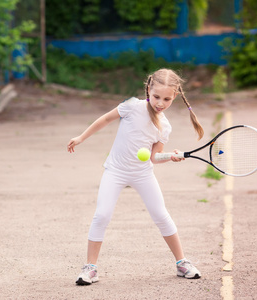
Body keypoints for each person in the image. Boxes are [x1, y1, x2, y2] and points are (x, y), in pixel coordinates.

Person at [67, 69, 205, 285]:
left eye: (167, 99)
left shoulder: (165, 126)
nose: (160, 102)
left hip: (142, 174)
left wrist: (171, 157)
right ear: (149, 89)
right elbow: (105, 119)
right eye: (156, 96)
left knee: (161, 215)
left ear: (175, 96)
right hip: (115, 171)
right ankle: (90, 268)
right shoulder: (132, 106)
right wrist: (82, 137)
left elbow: (153, 158)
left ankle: (182, 262)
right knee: (102, 215)